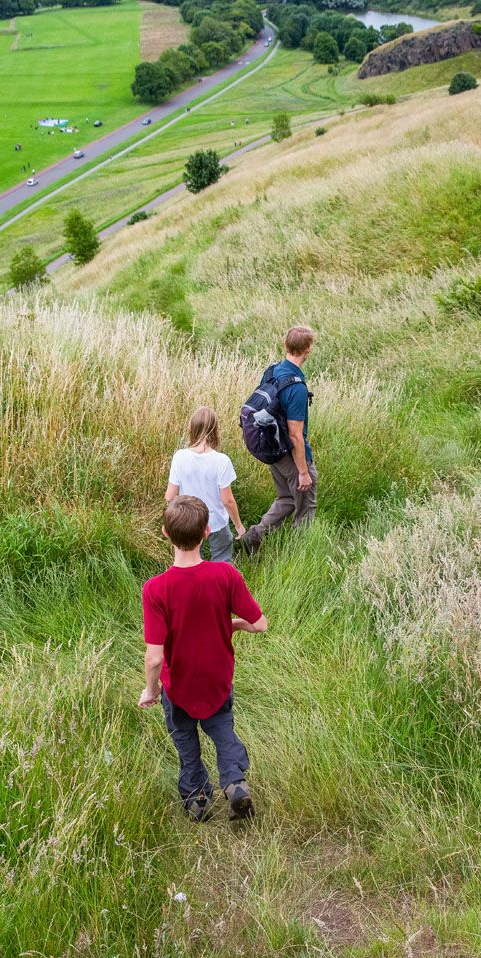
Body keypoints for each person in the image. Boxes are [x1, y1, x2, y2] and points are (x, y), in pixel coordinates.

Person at [139, 495, 267, 822]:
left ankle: (197, 800)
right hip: (217, 682)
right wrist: (234, 624)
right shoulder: (225, 575)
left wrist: (151, 691)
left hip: (178, 686)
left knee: (185, 741)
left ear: (166, 534)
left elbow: (154, 659)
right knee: (223, 730)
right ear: (207, 531)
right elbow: (260, 624)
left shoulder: (156, 589)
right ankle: (235, 783)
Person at [242, 326, 317, 552]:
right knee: (306, 508)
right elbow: (295, 434)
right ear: (308, 349)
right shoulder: (296, 388)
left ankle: (254, 536)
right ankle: (300, 556)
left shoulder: (273, 371)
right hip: (289, 452)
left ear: (285, 345)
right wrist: (303, 471)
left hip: (270, 446)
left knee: (287, 498)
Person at [165, 406, 245, 563]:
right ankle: (221, 585)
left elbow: (169, 496)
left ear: (192, 428)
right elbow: (227, 501)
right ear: (215, 430)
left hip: (190, 520)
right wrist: (239, 526)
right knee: (223, 560)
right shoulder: (221, 460)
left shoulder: (180, 457)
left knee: (192, 562)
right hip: (217, 522)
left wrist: (175, 520)